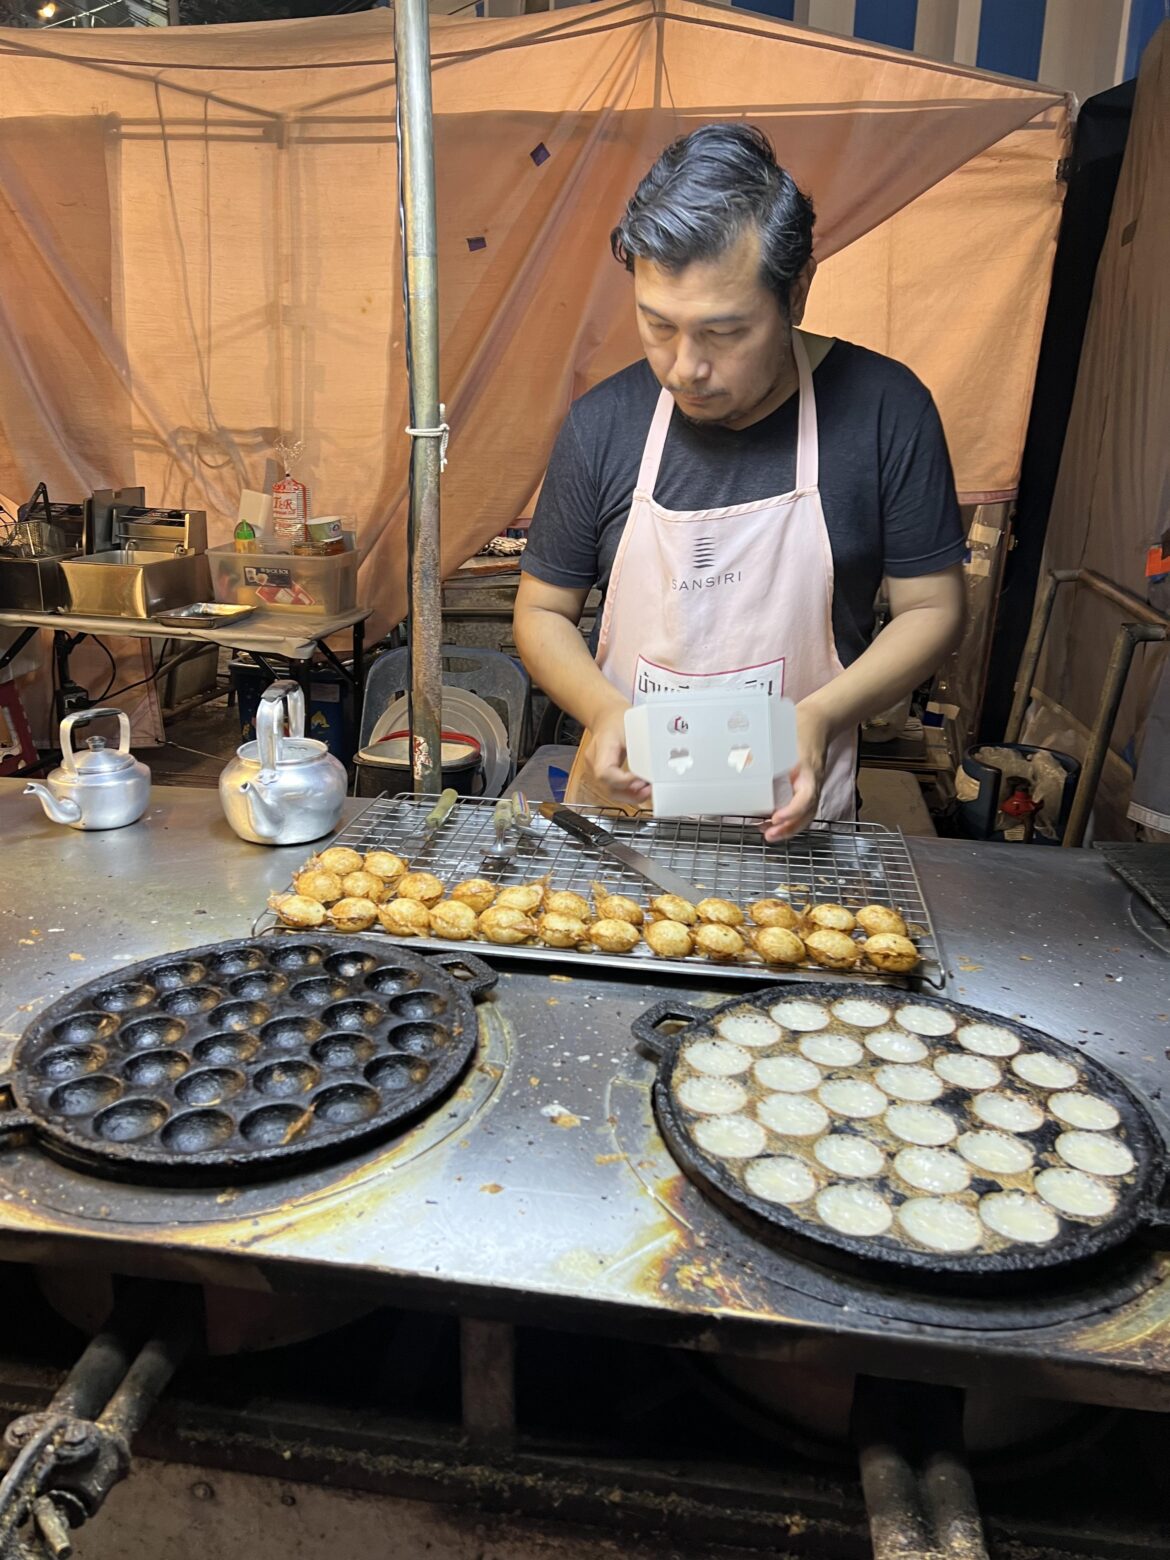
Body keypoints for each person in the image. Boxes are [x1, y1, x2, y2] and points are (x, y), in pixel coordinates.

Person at [513, 123, 966, 837]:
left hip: (799, 821)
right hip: (626, 821)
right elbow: (541, 613)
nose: (685, 366)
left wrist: (819, 716)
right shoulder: (602, 423)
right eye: (657, 324)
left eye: (724, 333)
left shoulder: (885, 410)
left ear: (798, 293)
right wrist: (604, 711)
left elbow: (932, 608)